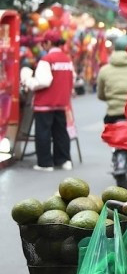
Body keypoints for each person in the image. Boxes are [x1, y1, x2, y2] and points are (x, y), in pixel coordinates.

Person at [20, 32, 75, 171]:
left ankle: (45, 163)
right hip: (62, 102)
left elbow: (43, 81)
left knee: (43, 133)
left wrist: (28, 80)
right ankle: (63, 160)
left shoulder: (47, 59)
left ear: (49, 43)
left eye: (43, 43)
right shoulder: (67, 60)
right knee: (60, 132)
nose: (42, 45)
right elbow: (71, 78)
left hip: (45, 102)